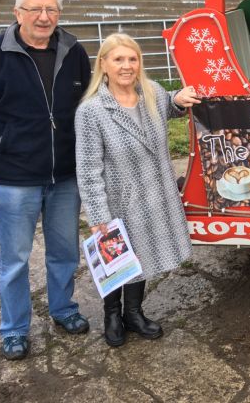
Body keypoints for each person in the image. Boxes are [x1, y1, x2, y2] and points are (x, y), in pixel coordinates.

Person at [0, 0, 91, 360]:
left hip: (64, 174)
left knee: (64, 251)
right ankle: (14, 329)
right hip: (12, 178)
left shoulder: (74, 52)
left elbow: (87, 103)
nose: (43, 17)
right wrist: (4, 141)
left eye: (51, 10)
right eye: (35, 10)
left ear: (59, 14)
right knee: (14, 258)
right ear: (17, 13)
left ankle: (63, 309)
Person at [75, 33, 200, 347]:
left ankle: (133, 312)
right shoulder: (92, 111)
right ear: (103, 65)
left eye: (132, 59)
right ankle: (112, 315)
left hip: (153, 196)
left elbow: (169, 105)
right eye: (118, 59)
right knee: (116, 261)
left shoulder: (152, 93)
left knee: (141, 257)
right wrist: (98, 215)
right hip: (119, 200)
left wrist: (178, 99)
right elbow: (88, 170)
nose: (127, 66)